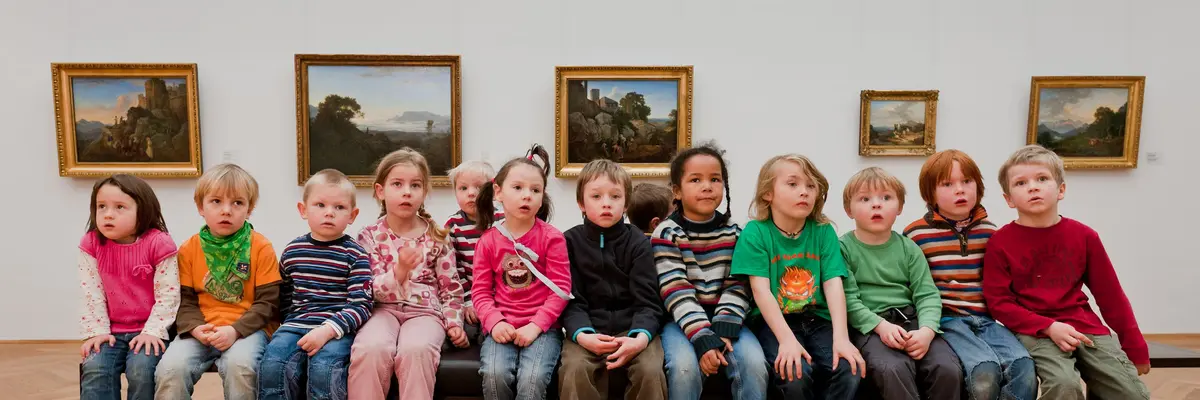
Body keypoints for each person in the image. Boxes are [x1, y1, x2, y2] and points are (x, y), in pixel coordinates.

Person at [983, 144, 1151, 400]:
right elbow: (999, 304)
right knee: (1064, 385)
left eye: (1042, 179)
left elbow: (1111, 296)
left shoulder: (1084, 236)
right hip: (1034, 330)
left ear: (1061, 189)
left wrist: (1135, 346)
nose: (1033, 187)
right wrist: (1048, 326)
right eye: (1021, 183)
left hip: (1084, 325)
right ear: (1008, 199)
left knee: (1130, 392)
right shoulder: (999, 243)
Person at [902, 150, 1036, 400]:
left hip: (985, 320)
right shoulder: (915, 235)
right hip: (946, 321)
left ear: (979, 186)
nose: (960, 190)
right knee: (984, 370)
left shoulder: (991, 233)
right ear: (930, 194)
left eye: (967, 181)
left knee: (1023, 366)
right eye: (948, 184)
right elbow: (909, 287)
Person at [732, 155, 864, 399]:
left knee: (848, 368)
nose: (804, 192)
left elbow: (834, 285)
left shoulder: (823, 232)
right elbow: (761, 291)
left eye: (811, 186)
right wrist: (786, 340)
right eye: (793, 184)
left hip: (817, 319)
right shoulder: (755, 233)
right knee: (795, 373)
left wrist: (842, 338)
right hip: (774, 322)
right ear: (767, 194)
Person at [155, 163, 282, 400]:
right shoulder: (189, 249)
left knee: (241, 368)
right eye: (216, 201)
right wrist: (195, 328)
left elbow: (268, 303)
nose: (226, 210)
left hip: (248, 330)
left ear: (250, 208)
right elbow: (184, 301)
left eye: (237, 203)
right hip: (201, 329)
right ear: (200, 206)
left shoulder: (261, 247)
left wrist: (235, 331)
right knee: (170, 369)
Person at [653, 142, 768, 400]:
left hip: (728, 317)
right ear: (677, 191)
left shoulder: (735, 232)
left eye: (715, 179)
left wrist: (724, 328)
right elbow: (676, 291)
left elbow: (738, 285)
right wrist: (704, 339)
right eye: (695, 180)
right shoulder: (667, 233)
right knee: (684, 369)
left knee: (754, 364)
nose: (707, 186)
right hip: (680, 321)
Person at [349, 149, 467, 400]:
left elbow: (451, 290)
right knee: (371, 348)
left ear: (424, 192)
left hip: (426, 314)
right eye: (397, 184)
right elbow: (368, 288)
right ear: (381, 191)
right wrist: (399, 271)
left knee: (417, 349)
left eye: (415, 185)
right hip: (382, 310)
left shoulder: (438, 237)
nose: (407, 191)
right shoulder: (368, 236)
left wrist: (454, 323)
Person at [840, 167, 962, 400]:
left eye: (886, 198)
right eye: (865, 199)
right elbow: (847, 300)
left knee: (947, 369)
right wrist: (881, 326)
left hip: (912, 320)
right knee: (891, 369)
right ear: (849, 210)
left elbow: (926, 294)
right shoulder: (843, 249)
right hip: (871, 327)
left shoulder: (909, 248)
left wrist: (926, 331)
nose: (877, 205)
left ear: (900, 208)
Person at [258, 169, 374, 400]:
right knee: (273, 362)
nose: (329, 213)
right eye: (320, 205)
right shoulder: (293, 251)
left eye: (339, 207)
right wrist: (287, 324)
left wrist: (328, 330)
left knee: (324, 368)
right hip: (295, 325)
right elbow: (285, 297)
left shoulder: (356, 255)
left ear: (352, 215)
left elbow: (362, 305)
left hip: (337, 329)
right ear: (303, 210)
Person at [559, 159, 666, 400]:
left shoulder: (638, 243)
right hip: (588, 329)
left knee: (650, 370)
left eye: (615, 197)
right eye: (596, 196)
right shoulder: (568, 242)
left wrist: (639, 339)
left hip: (633, 328)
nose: (606, 204)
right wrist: (583, 335)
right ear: (581, 203)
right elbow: (570, 300)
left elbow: (648, 302)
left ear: (626, 203)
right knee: (575, 369)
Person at [473, 144, 572, 400]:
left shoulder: (552, 238)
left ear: (542, 196)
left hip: (542, 329)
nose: (527, 195)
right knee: (495, 374)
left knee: (533, 379)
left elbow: (560, 291)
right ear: (498, 192)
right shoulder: (488, 241)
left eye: (535, 190)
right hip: (501, 326)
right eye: (517, 188)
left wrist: (536, 326)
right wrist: (495, 322)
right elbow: (481, 293)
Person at [78, 174, 179, 400]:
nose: (108, 214)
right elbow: (91, 292)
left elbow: (168, 295)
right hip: (110, 330)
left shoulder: (159, 243)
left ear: (142, 211)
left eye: (120, 207)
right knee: (95, 368)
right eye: (101, 206)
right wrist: (97, 332)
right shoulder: (91, 243)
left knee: (142, 370)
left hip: (151, 330)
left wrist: (152, 332)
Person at [444, 160, 503, 346]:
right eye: (463, 188)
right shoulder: (452, 226)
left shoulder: (503, 221)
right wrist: (468, 301)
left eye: (478, 187)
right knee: (464, 333)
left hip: (501, 298)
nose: (471, 193)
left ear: (493, 191)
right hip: (469, 297)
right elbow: (454, 269)